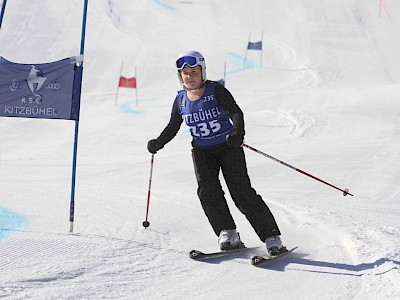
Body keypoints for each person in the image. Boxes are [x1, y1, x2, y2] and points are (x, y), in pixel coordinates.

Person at [147, 51, 285, 255]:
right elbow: (173, 126)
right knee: (207, 192)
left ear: (202, 72)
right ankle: (228, 233)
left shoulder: (216, 90)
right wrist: (159, 142)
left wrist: (238, 132)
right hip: (202, 152)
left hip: (228, 148)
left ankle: (272, 237)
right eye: (185, 73)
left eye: (194, 72)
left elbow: (235, 112)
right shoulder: (181, 100)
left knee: (241, 193)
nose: (189, 76)